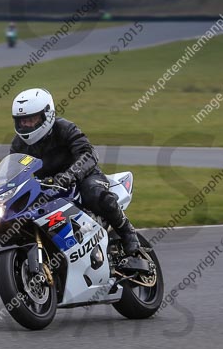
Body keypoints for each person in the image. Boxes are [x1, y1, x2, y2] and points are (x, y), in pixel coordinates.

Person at [9, 88, 141, 256]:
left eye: (31, 119)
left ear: (47, 115)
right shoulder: (18, 144)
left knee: (94, 193)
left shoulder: (64, 128)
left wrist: (70, 175)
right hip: (49, 186)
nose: (26, 125)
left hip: (83, 177)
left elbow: (89, 154)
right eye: (22, 121)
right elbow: (13, 172)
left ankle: (128, 233)